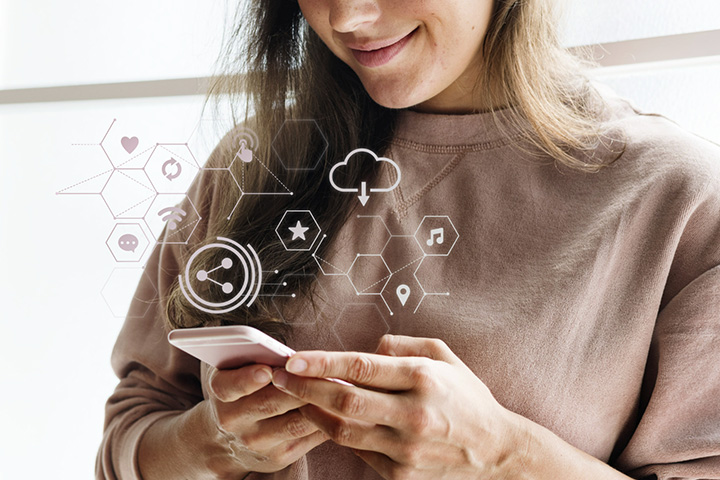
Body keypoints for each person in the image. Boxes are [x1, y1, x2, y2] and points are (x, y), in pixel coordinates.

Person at [97, 0, 720, 479]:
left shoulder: (679, 199)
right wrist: (215, 440)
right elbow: (128, 436)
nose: (347, 17)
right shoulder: (255, 164)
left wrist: (503, 456)